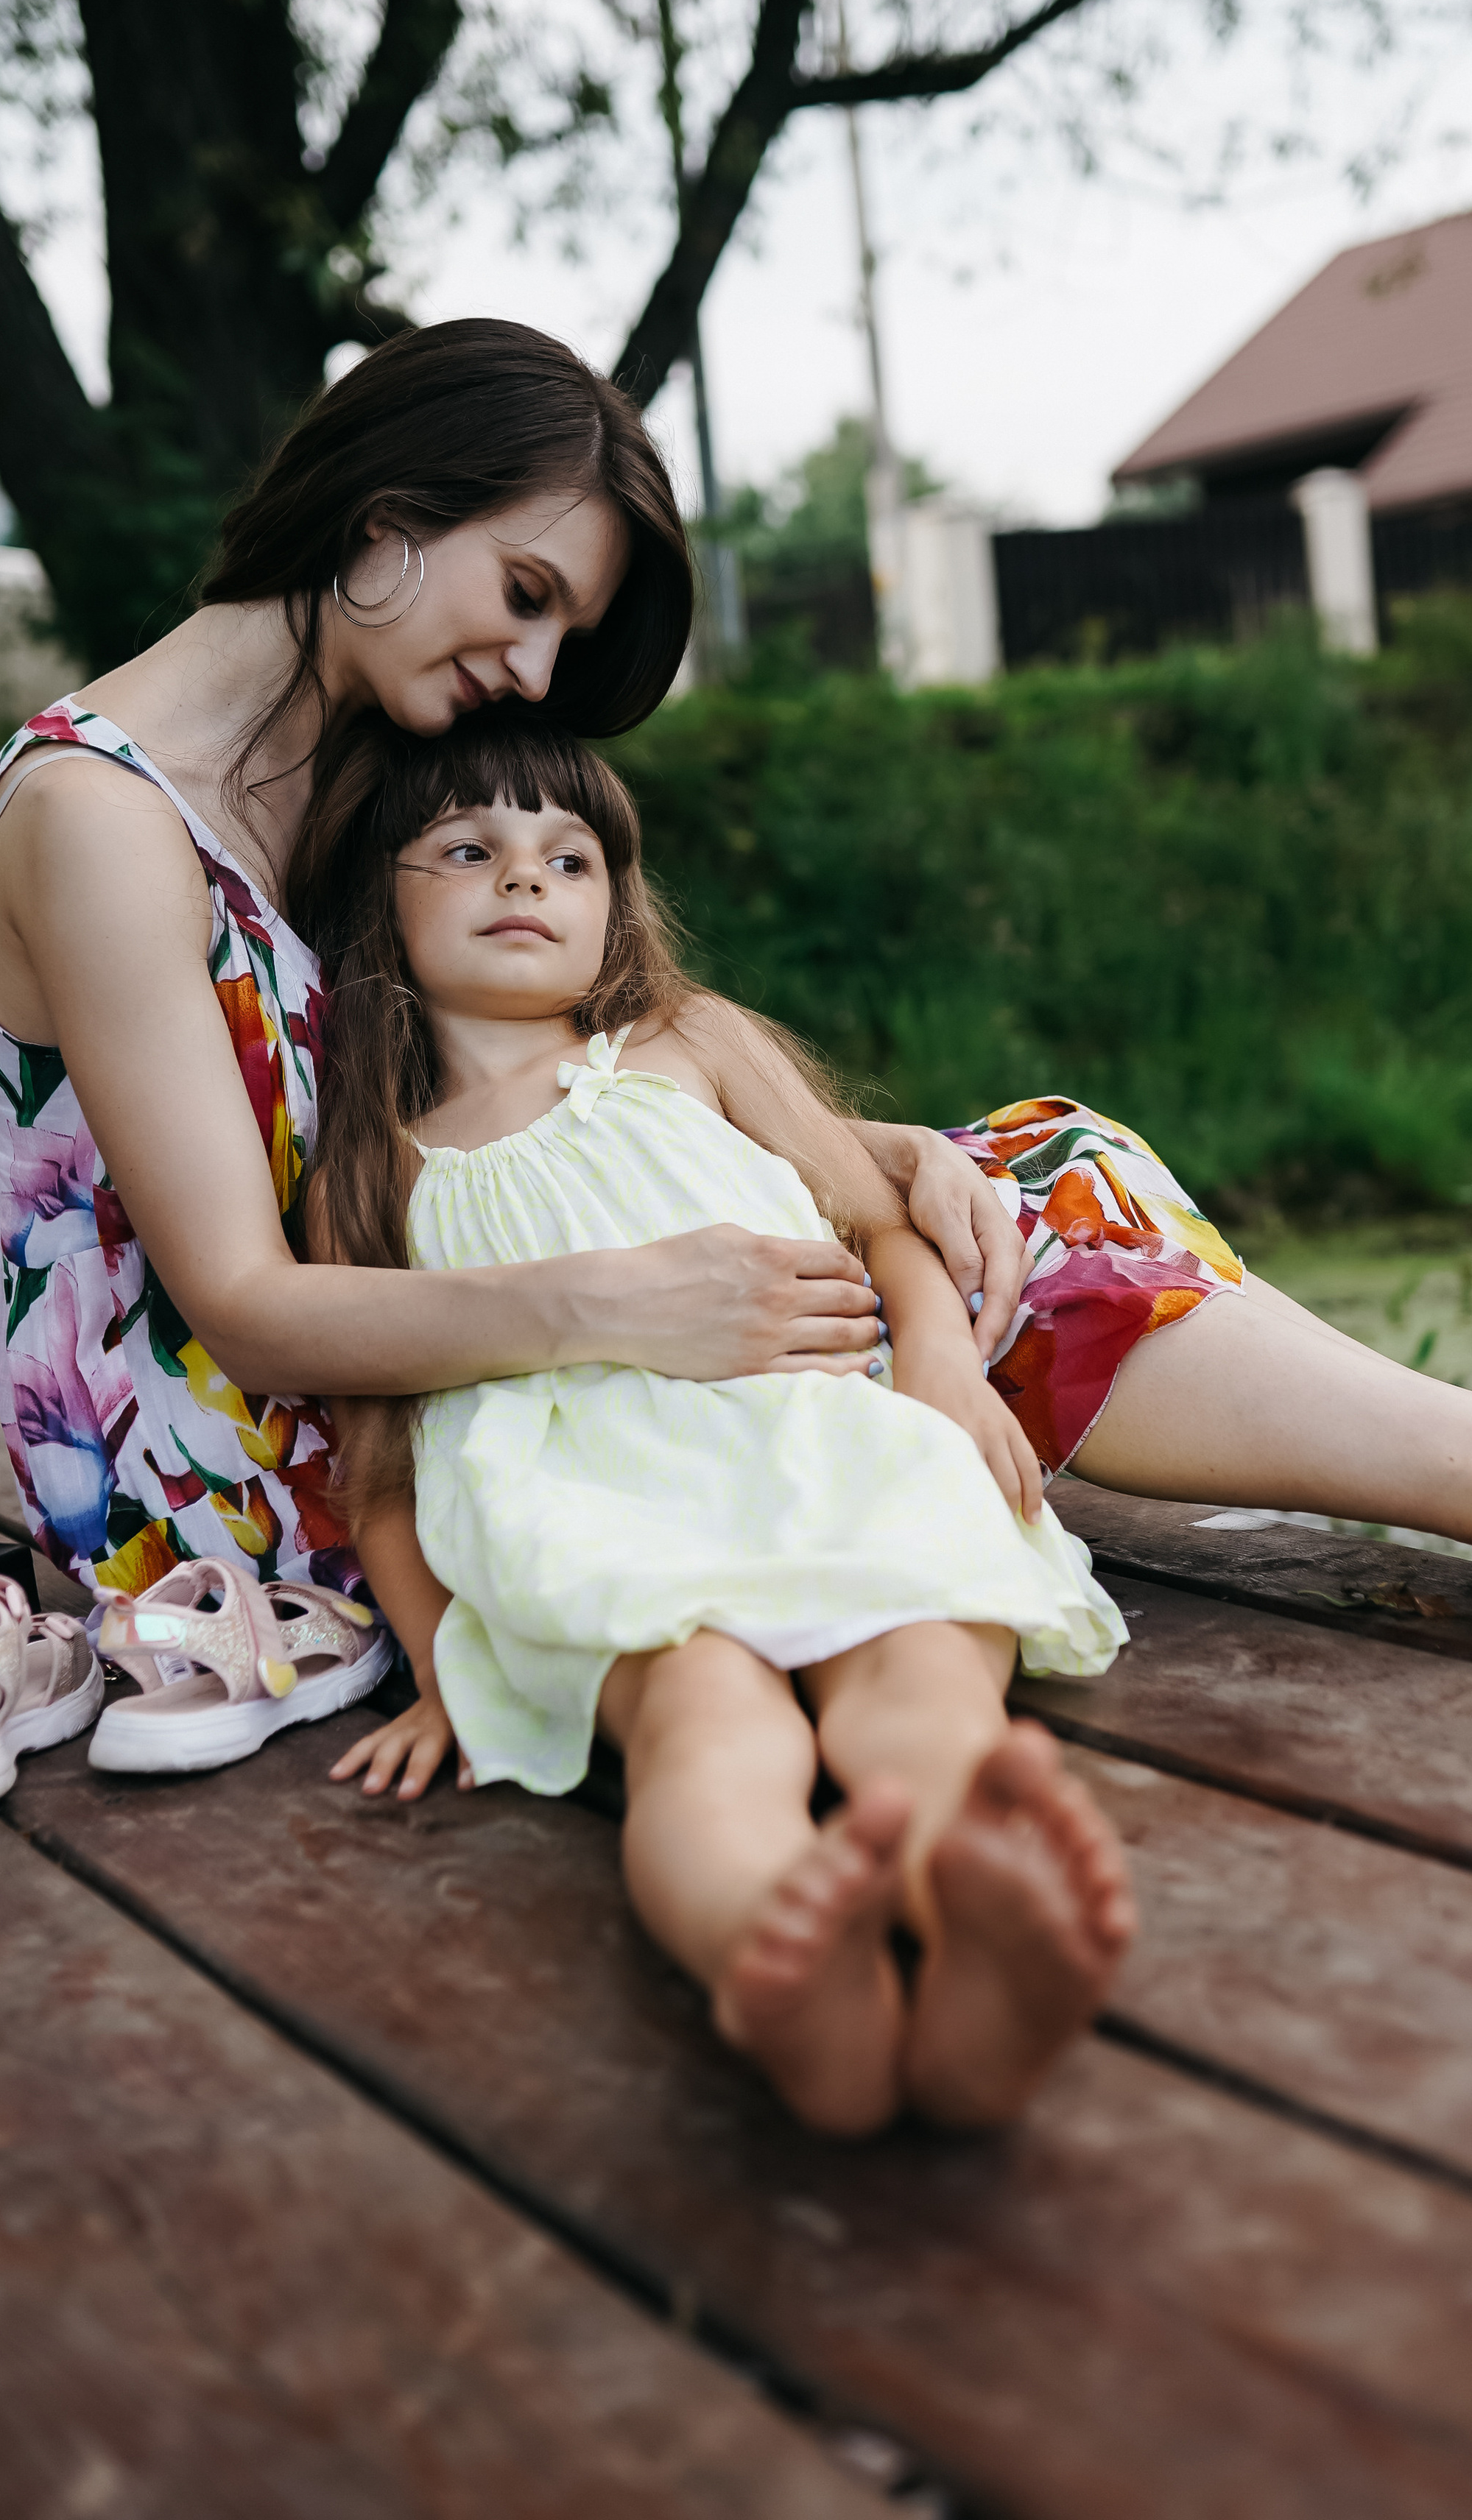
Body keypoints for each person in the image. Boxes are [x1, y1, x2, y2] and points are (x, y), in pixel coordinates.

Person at [0, 317, 1472, 1672]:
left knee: (1013, 1172)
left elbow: (561, 1109)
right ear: (376, 518)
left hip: (463, 1353)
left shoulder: (346, 793)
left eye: (556, 633)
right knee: (936, 1254)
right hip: (269, 1507)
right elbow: (250, 1309)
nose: (525, 664)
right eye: (518, 594)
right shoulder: (103, 817)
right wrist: (638, 1298)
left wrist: (875, 1151)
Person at [300, 710, 1134, 2135]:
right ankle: (772, 1945)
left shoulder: (689, 1044)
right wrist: (445, 1670)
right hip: (594, 1509)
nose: (523, 879)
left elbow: (880, 1223)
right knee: (702, 1734)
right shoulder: (371, 1164)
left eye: (567, 858)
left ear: (614, 903)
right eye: (467, 849)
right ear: (381, 892)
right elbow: (378, 1453)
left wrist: (938, 1363)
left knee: (921, 1690)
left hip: (829, 1446)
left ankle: (975, 1928)